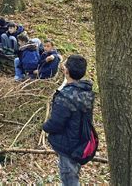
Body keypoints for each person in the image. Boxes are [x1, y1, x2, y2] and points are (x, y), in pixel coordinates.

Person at [43, 55, 94, 186]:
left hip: (68, 146)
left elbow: (56, 124)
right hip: (81, 142)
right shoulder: (86, 91)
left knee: (69, 180)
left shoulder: (66, 96)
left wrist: (45, 126)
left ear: (66, 71)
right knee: (72, 175)